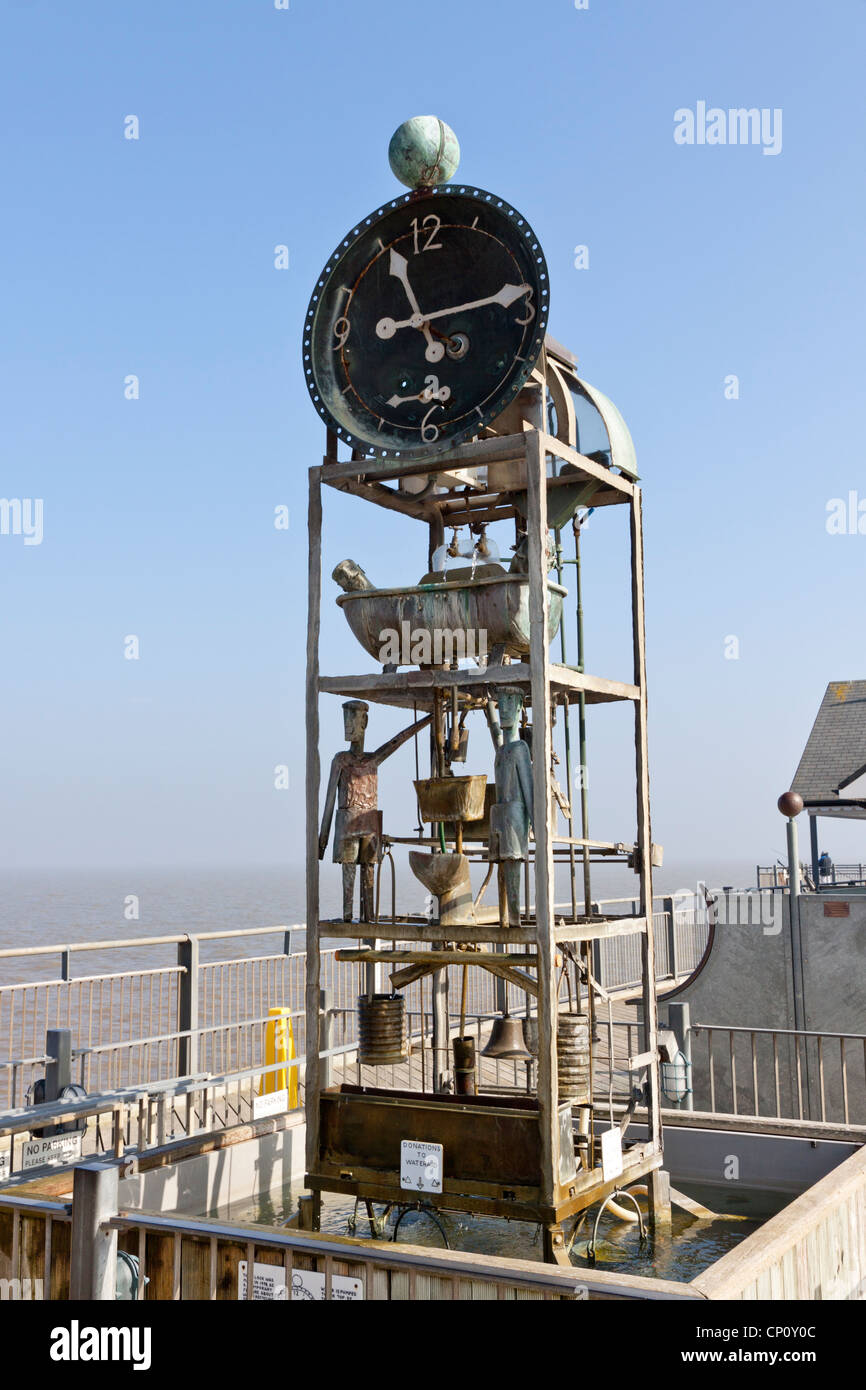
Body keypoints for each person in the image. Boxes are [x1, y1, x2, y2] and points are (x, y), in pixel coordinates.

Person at [319, 701, 431, 921]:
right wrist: (321, 842)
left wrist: (429, 719)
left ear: (365, 722)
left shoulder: (373, 760)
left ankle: (368, 916)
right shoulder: (340, 760)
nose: (348, 725)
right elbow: (329, 801)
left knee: (368, 870)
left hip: (369, 824)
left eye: (354, 719)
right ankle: (348, 914)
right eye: (346, 720)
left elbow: (398, 740)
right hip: (347, 823)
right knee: (348, 869)